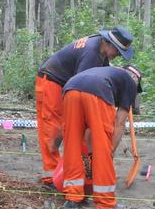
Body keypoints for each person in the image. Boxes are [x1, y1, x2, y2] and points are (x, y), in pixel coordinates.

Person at [35, 27, 134, 186]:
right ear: (110, 45)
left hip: (66, 83)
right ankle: (52, 177)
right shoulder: (91, 54)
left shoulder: (100, 52)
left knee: (76, 128)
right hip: (52, 82)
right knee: (53, 129)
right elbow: (82, 87)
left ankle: (80, 173)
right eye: (118, 52)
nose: (118, 56)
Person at [61, 65, 142, 209]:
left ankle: (72, 198)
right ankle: (105, 202)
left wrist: (91, 154)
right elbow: (120, 123)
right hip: (98, 92)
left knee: (72, 143)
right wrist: (109, 151)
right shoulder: (130, 83)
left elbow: (87, 128)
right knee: (103, 147)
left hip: (70, 88)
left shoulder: (106, 73)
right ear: (135, 80)